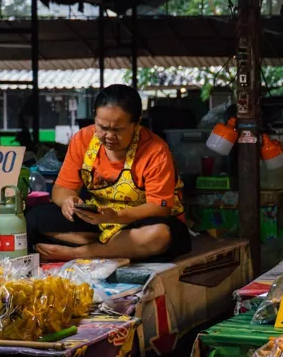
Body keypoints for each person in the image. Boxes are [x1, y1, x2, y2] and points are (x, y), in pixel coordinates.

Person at [27, 84, 191, 262]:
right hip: (97, 219)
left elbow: (160, 207)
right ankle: (113, 247)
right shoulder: (82, 139)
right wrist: (68, 200)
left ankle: (80, 253)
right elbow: (61, 188)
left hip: (140, 221)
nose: (109, 136)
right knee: (33, 218)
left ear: (136, 125)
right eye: (102, 127)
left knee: (159, 235)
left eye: (118, 130)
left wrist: (117, 216)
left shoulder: (155, 150)